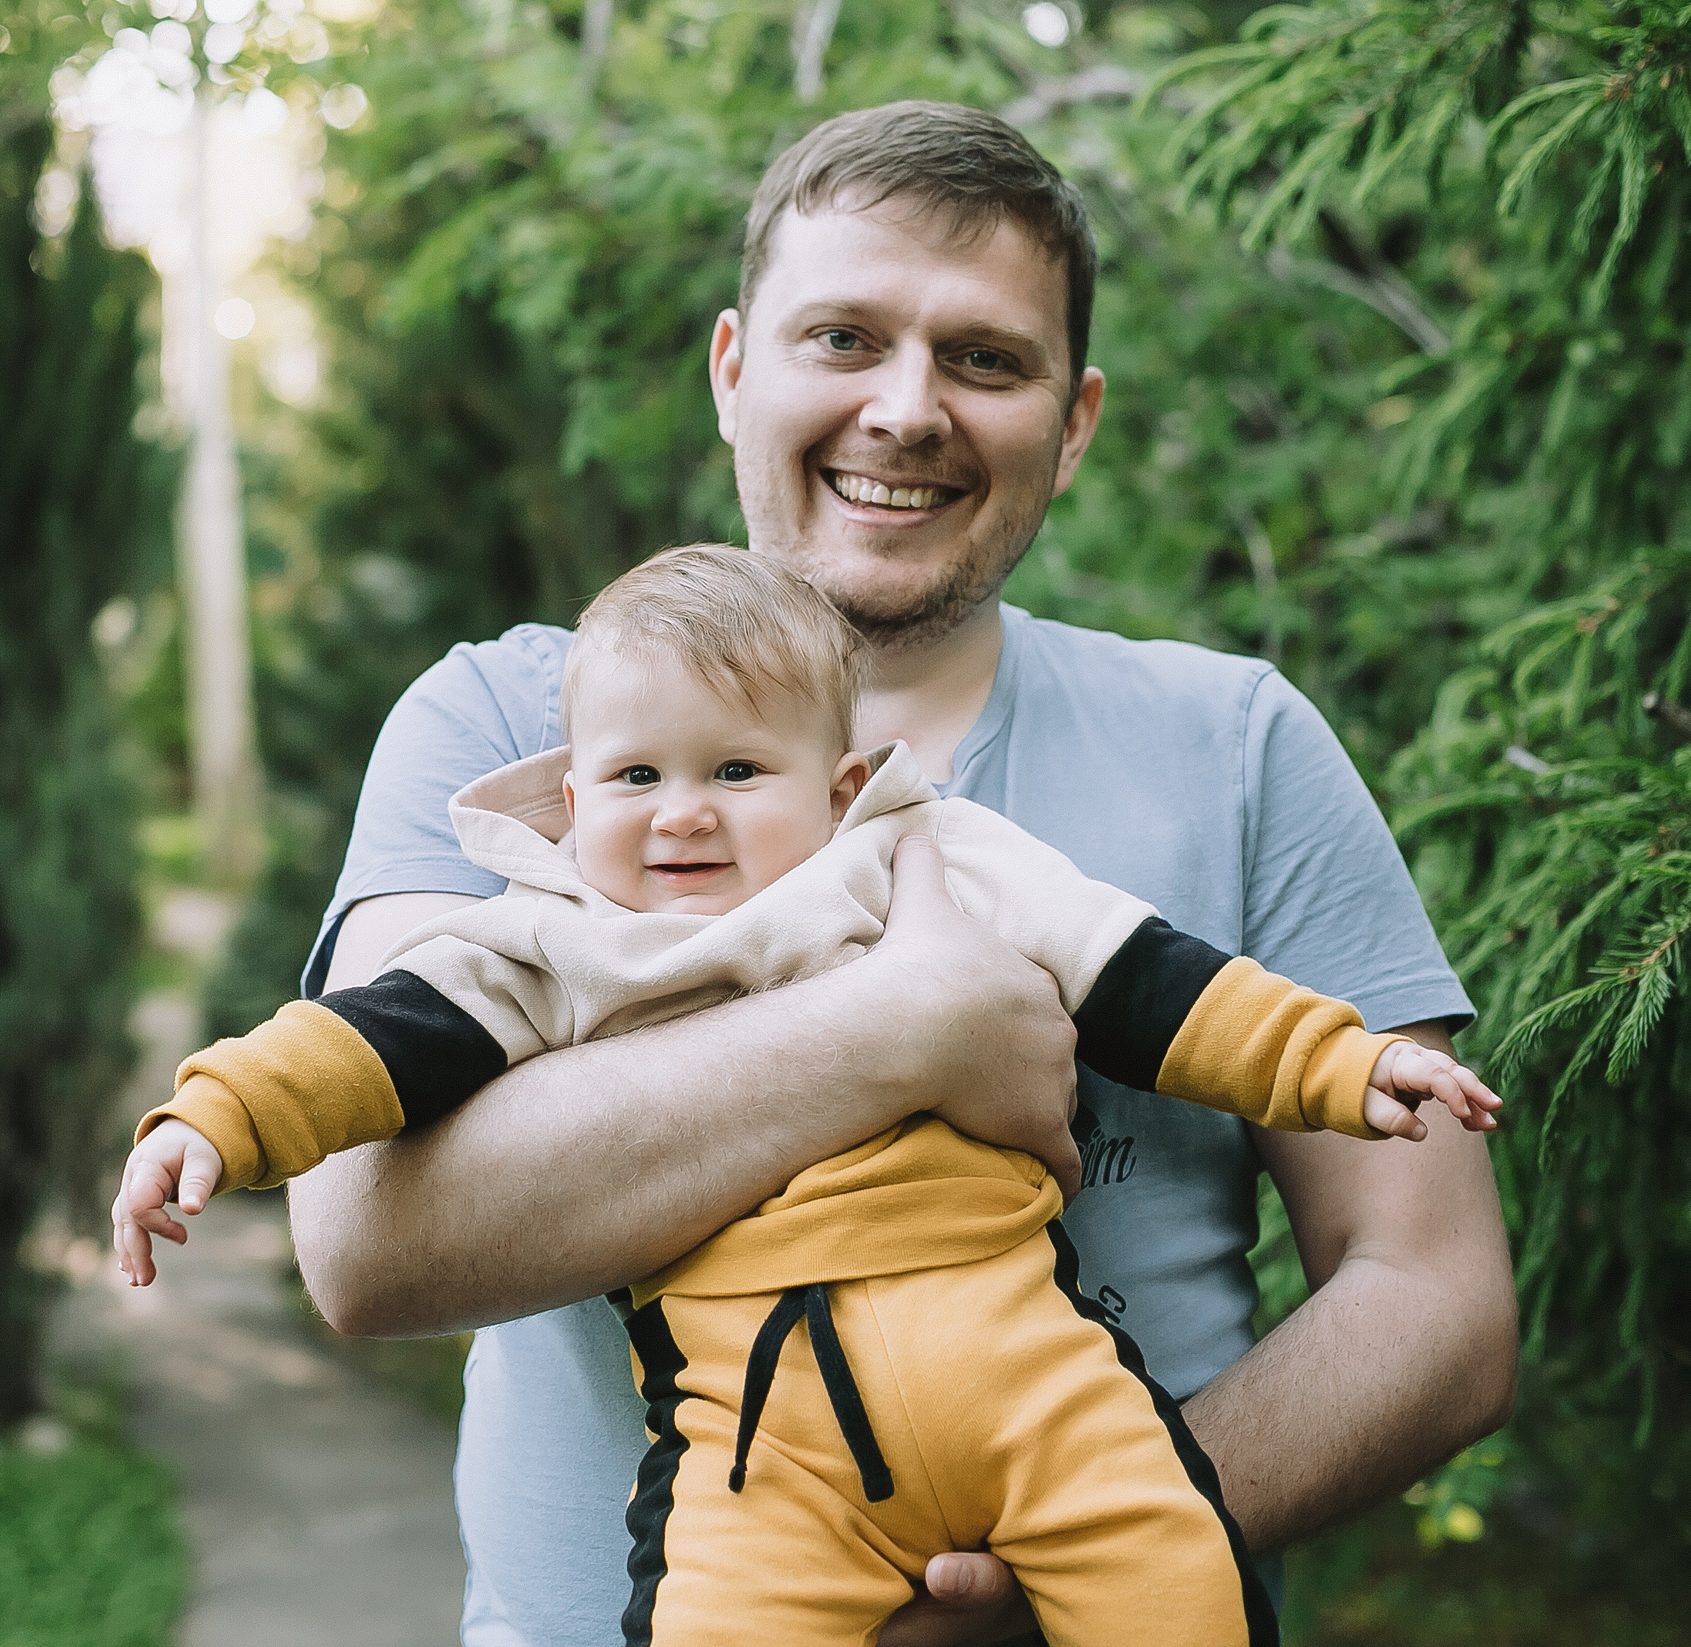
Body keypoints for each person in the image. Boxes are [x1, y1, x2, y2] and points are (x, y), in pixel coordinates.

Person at [276, 101, 1516, 1646]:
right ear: (735, 370)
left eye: (987, 360)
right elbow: (367, 1239)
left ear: (1074, 421)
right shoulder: (516, 731)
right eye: (843, 338)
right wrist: (906, 1033)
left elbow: (1434, 1295)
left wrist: (1107, 1536)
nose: (907, 409)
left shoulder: (1237, 744)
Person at [114, 547, 1501, 1644]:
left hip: (1030, 1376)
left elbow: (1156, 985)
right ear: (569, 799)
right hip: (761, 1441)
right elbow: (363, 1048)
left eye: (734, 772)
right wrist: (209, 1120)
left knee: (1169, 1578)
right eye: (636, 778)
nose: (682, 814)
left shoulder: (927, 858)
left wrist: (1343, 1064)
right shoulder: (551, 944)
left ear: (839, 784)